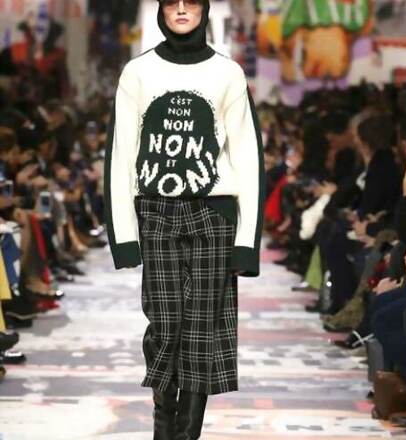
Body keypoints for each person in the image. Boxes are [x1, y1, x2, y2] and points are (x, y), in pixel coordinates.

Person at [103, 1, 264, 438]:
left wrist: (247, 241)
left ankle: (184, 433)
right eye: (171, 1)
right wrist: (123, 234)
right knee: (165, 321)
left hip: (213, 213)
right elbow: (121, 152)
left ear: (204, 9)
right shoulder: (138, 72)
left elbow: (247, 154)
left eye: (190, 1)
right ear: (160, 9)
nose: (180, 10)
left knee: (202, 326)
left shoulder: (227, 73)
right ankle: (164, 418)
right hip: (156, 209)